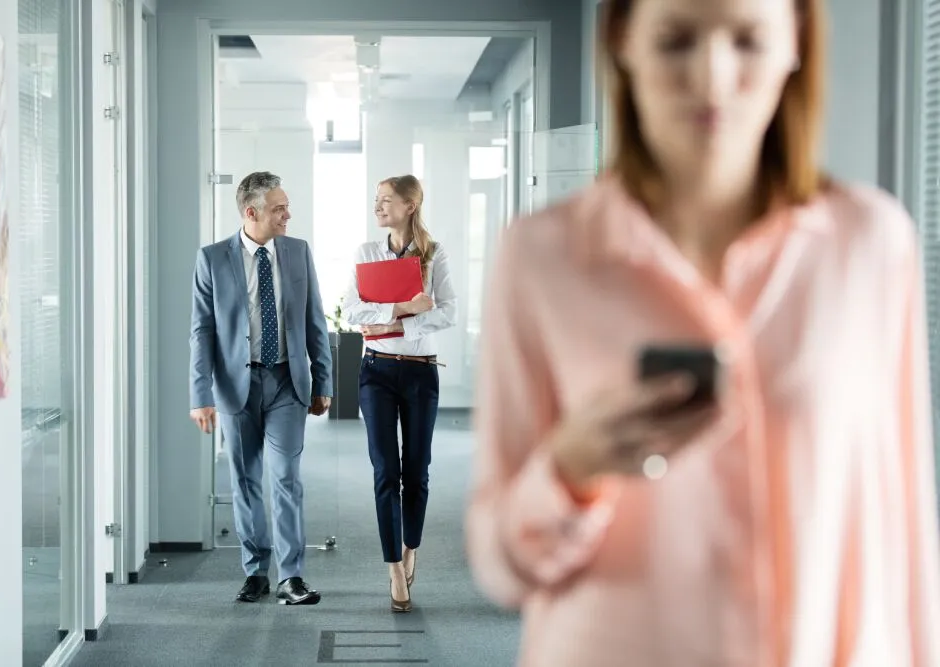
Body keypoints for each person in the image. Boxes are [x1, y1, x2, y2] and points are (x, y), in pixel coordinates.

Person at [466, 0, 940, 665]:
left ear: (796, 42)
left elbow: (903, 526)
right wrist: (571, 467)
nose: (713, 79)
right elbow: (499, 564)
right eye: (676, 40)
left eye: (748, 40)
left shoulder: (868, 243)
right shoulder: (540, 257)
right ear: (624, 40)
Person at [189, 171, 333, 606]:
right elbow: (202, 331)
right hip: (236, 386)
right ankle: (256, 572)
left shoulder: (297, 252)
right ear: (251, 213)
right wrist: (200, 395)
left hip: (287, 382)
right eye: (278, 209)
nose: (287, 214)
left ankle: (291, 576)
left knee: (285, 477)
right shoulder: (213, 258)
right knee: (246, 480)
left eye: (286, 206)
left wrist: (322, 379)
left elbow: (315, 320)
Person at [341, 175, 457, 612]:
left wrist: (396, 325)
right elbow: (352, 310)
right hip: (376, 372)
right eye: (376, 200)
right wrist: (406, 307)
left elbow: (448, 311)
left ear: (411, 205)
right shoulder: (366, 254)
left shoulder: (433, 253)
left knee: (417, 470)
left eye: (386, 200)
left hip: (421, 372)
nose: (378, 207)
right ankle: (394, 567)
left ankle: (412, 549)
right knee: (385, 470)